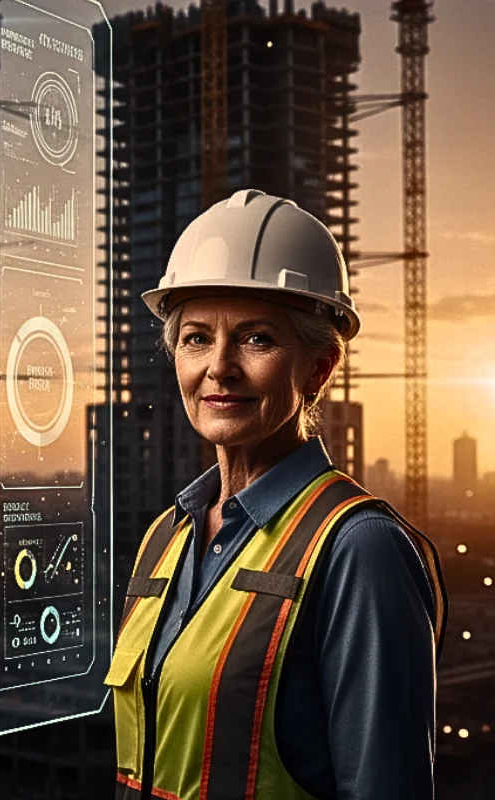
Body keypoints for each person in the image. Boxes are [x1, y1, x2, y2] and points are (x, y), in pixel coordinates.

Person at [104, 190, 447, 800]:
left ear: (319, 367)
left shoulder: (357, 550)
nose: (220, 367)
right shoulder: (165, 537)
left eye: (256, 339)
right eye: (196, 338)